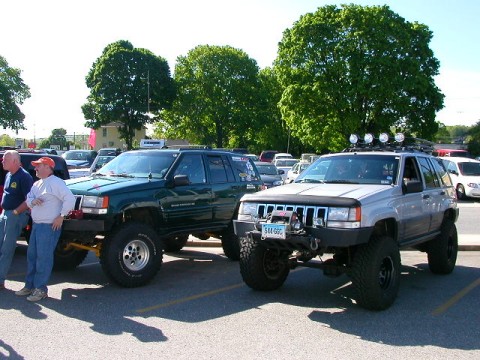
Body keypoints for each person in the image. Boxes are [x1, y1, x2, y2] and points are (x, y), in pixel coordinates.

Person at [14, 157, 75, 301]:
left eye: (38, 166)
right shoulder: (37, 184)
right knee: (32, 257)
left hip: (48, 226)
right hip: (36, 225)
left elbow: (70, 199)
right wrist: (32, 201)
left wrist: (61, 216)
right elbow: (29, 199)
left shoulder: (57, 183)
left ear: (48, 167)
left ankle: (41, 289)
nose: (35, 168)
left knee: (43, 258)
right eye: (35, 166)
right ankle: (29, 286)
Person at [0, 150, 34, 290]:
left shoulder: (24, 177)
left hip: (15, 215)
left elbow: (29, 200)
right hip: (5, 214)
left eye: (5, 159)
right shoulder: (9, 174)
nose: (2, 161)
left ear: (14, 161)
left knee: (7, 248)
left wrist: (15, 212)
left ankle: (0, 280)